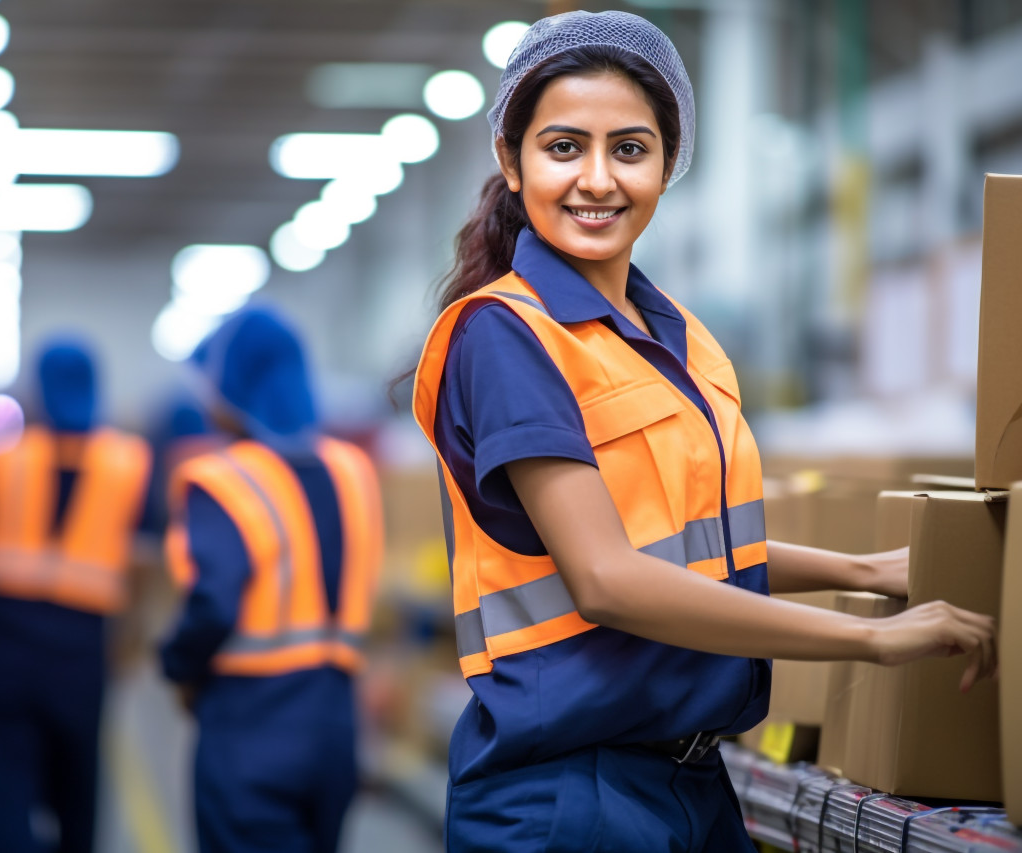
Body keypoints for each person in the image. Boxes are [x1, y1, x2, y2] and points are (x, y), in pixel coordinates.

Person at [410, 11, 997, 852]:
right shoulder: (506, 335)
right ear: (511, 160)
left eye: (631, 149)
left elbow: (693, 551)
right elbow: (607, 577)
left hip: (691, 784)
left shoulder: (676, 337)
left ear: (668, 163)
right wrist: (867, 635)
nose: (599, 180)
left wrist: (865, 569)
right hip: (567, 795)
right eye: (564, 147)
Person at [158, 306, 384, 853]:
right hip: (334, 726)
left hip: (249, 724)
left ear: (236, 382)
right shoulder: (352, 468)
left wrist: (176, 665)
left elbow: (214, 603)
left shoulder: (223, 479)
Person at [0, 339, 151, 853]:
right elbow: (146, 559)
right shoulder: (127, 462)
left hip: (8, 645)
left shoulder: (7, 458)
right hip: (81, 652)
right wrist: (132, 638)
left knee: (9, 788)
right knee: (78, 790)